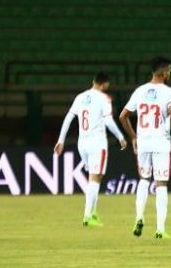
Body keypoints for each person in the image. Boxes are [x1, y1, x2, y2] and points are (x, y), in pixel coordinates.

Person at [119, 57, 171, 240]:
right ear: (163, 72)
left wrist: (133, 137)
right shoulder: (168, 92)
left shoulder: (140, 91)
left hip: (144, 141)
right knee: (161, 183)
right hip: (161, 142)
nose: (170, 74)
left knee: (144, 179)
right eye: (169, 71)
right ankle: (160, 229)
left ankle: (139, 218)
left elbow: (123, 116)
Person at [54, 72, 127, 227]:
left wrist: (61, 140)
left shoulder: (80, 97)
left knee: (96, 178)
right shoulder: (104, 98)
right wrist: (120, 137)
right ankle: (87, 216)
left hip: (82, 144)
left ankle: (93, 213)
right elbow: (108, 120)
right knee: (94, 179)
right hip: (97, 143)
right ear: (105, 84)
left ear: (93, 81)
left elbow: (68, 117)